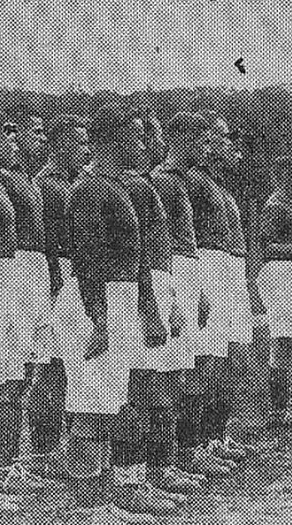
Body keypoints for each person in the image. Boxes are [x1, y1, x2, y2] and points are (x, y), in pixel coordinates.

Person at [66, 103, 176, 522]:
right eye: (133, 135)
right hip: (96, 302)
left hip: (121, 297)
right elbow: (87, 260)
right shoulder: (89, 189)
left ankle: (114, 493)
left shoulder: (118, 187)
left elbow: (136, 257)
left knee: (118, 402)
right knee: (90, 410)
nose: (142, 143)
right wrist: (98, 319)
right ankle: (89, 508)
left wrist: (146, 309)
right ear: (112, 141)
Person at [151, 112, 225, 487]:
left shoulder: (181, 181)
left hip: (189, 270)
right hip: (173, 273)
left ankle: (183, 453)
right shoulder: (163, 182)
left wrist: (200, 288)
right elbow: (158, 243)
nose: (206, 147)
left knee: (189, 372)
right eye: (201, 140)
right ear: (179, 138)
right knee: (168, 376)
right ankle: (163, 463)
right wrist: (176, 294)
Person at [28, 115, 90, 481]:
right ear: (58, 144)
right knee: (49, 369)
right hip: (58, 277)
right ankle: (42, 450)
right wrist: (56, 285)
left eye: (87, 141)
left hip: (75, 274)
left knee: (68, 368)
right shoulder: (47, 186)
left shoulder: (73, 183)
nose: (84, 149)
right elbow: (47, 241)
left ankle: (58, 446)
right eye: (77, 142)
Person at [0, 113, 53, 495]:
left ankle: (15, 463)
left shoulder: (24, 180)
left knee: (27, 375)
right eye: (9, 136)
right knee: (9, 379)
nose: (15, 143)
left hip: (29, 272)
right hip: (11, 274)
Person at [197, 110, 254, 458]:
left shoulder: (223, 188)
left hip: (232, 269)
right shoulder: (195, 181)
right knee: (210, 360)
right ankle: (198, 442)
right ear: (206, 143)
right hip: (211, 267)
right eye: (223, 137)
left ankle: (218, 435)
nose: (232, 144)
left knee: (235, 359)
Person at [249, 156, 292, 425]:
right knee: (281, 341)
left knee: (289, 341)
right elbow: (267, 247)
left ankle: (283, 406)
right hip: (279, 273)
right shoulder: (275, 206)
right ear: (282, 176)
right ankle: (277, 410)